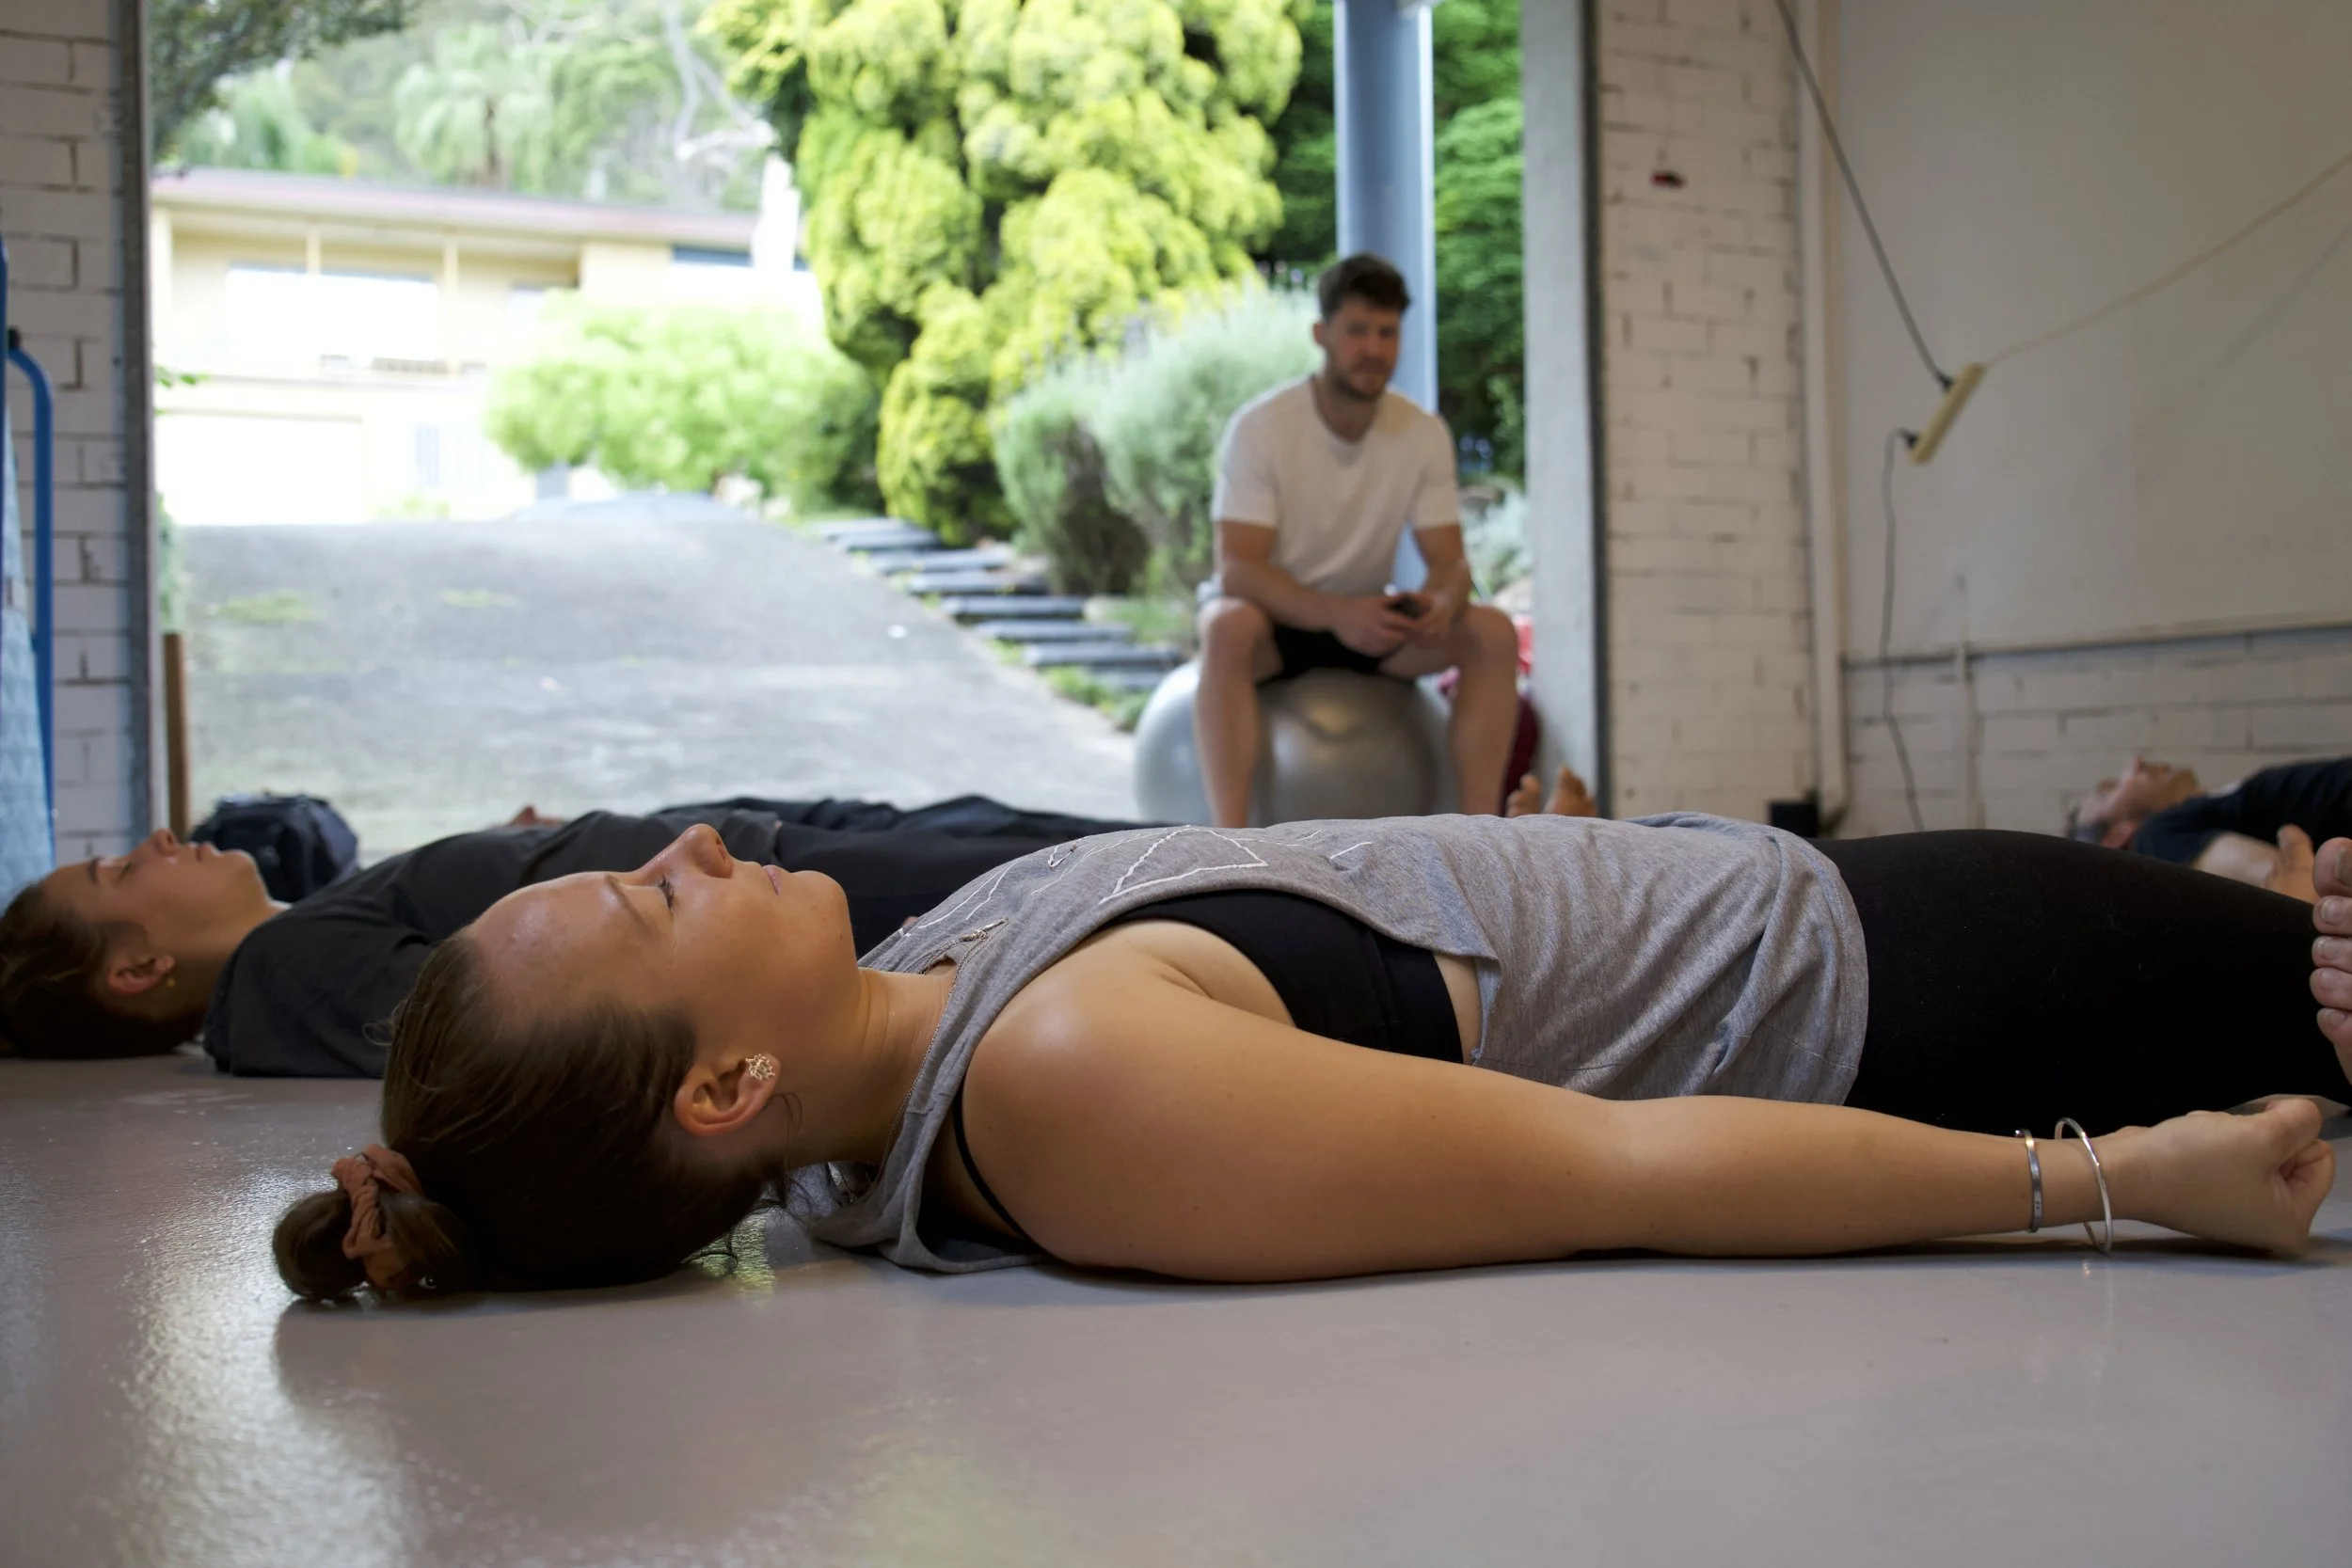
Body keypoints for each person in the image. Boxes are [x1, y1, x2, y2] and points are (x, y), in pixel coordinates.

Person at [273, 811, 2350, 1299]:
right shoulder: (1068, 1078)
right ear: (718, 1087)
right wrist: (2111, 1172)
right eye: (653, 897)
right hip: (1907, 982)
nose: (693, 843)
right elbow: (1620, 1178)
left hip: (1799, 890)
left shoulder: (881, 1065)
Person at [0, 794, 1145, 1073]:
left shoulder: (290, 944)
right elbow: (530, 1008)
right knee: (1123, 870)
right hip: (781, 876)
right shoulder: (281, 976)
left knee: (1099, 849)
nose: (155, 836)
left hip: (773, 848)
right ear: (138, 965)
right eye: (119, 871)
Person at [1194, 254, 1523, 827]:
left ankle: (1480, 834)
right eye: (1357, 330)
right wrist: (1335, 613)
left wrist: (1443, 600)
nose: (1373, 348)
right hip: (1279, 622)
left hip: (1372, 624)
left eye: (1387, 332)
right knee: (1225, 624)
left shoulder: (1422, 433)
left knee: (1491, 631)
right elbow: (1238, 569)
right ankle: (1231, 841)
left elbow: (1450, 563)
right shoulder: (1262, 427)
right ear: (1322, 334)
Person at [2069, 755, 2352, 902]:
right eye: (2109, 789)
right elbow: (2299, 885)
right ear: (2118, 836)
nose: (2137, 762)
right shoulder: (2155, 834)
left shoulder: (2200, 815)